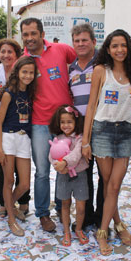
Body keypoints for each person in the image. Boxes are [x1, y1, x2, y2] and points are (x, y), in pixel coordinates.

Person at [82, 29, 131, 255]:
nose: (119, 50)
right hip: (102, 131)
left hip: (125, 132)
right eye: (115, 46)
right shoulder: (101, 71)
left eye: (123, 45)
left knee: (114, 186)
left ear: (129, 48)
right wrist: (86, 141)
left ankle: (105, 228)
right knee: (108, 184)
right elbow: (91, 106)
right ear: (108, 49)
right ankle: (113, 227)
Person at [21, 17, 76, 232]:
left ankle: (62, 210)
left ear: (42, 34)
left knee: (64, 169)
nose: (30, 38)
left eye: (33, 33)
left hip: (65, 124)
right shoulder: (23, 61)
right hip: (39, 124)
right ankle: (43, 214)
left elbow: (84, 59)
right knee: (42, 171)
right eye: (25, 35)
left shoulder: (62, 49)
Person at [0, 38, 30, 218]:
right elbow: (1, 98)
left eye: (9, 52)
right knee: (2, 164)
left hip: (20, 122)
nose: (5, 55)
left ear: (17, 54)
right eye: (2, 52)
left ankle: (23, 200)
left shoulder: (23, 71)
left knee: (22, 164)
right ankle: (4, 203)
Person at [0, 56, 37, 236]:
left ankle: (9, 206)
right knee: (9, 180)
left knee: (25, 183)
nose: (27, 76)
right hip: (8, 138)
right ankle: (11, 219)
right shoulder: (8, 93)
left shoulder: (31, 93)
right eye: (24, 72)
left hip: (24, 139)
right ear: (17, 72)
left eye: (31, 72)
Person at [68, 23, 104, 230]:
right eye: (77, 41)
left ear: (93, 41)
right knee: (85, 174)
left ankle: (102, 218)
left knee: (105, 177)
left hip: (102, 126)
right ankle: (87, 215)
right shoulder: (71, 68)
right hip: (81, 130)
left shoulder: (103, 64)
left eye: (84, 40)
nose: (81, 44)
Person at [49, 105, 89, 247]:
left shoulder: (80, 138)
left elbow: (77, 154)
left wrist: (64, 163)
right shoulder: (57, 138)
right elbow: (52, 155)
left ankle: (78, 228)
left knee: (81, 206)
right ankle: (66, 230)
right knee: (65, 204)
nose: (66, 125)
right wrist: (57, 165)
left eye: (69, 122)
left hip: (80, 175)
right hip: (63, 176)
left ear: (76, 122)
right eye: (62, 122)